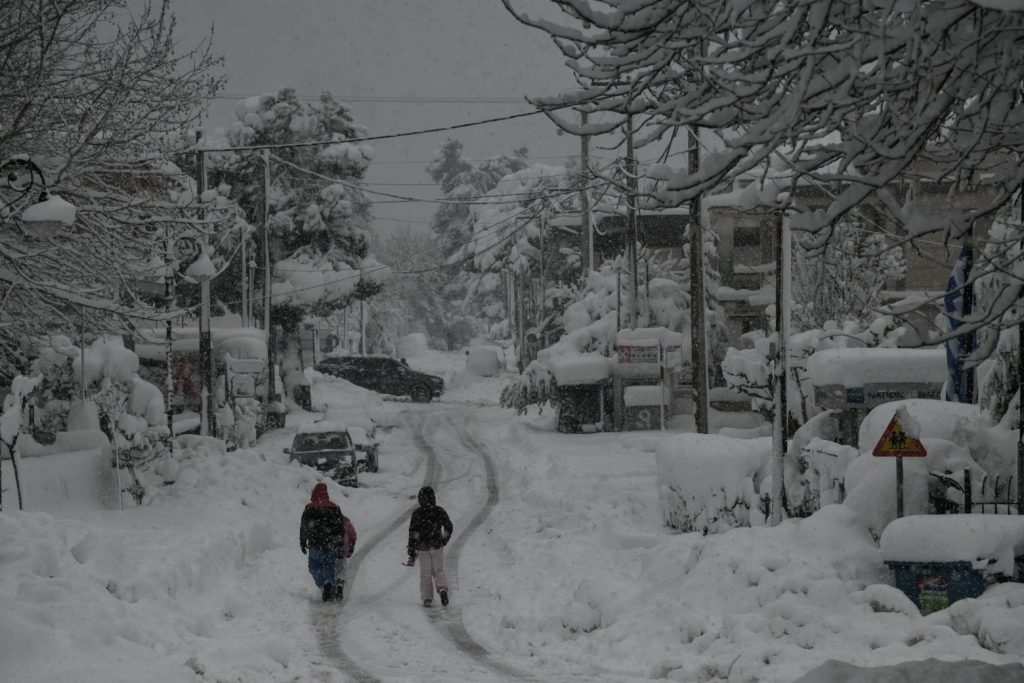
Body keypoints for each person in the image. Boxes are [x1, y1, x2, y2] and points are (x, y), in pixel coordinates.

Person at [300, 482, 357, 601]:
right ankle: (333, 586)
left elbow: (304, 526)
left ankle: (324, 583)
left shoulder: (309, 508)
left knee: (314, 567)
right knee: (330, 567)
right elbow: (340, 528)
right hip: (331, 544)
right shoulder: (335, 508)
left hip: (315, 545)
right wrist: (340, 543)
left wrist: (303, 541)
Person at [405, 486, 453, 606]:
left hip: (423, 547)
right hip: (437, 545)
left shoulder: (417, 514)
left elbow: (413, 533)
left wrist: (412, 549)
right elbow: (449, 526)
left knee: (425, 573)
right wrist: (444, 539)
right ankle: (442, 589)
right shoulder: (439, 511)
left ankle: (427, 597)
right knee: (439, 570)